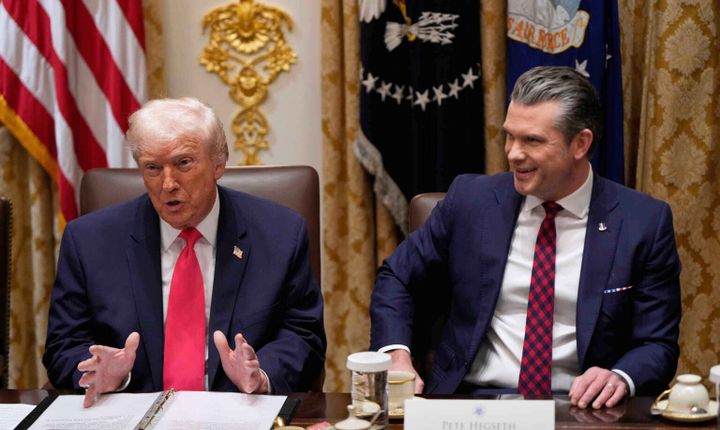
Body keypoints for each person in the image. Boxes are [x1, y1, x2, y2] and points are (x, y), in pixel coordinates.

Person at [370, 66, 681, 409]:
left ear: (581, 143)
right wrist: (396, 356)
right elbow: (397, 276)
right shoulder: (471, 201)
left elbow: (657, 344)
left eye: (532, 140)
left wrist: (619, 376)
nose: (513, 153)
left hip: (582, 408)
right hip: (472, 402)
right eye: (509, 136)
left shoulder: (642, 223)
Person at [43, 97, 326, 407]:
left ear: (218, 164)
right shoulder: (89, 241)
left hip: (237, 411)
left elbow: (303, 335)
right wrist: (100, 373)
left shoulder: (280, 234)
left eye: (183, 163)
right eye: (152, 168)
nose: (168, 184)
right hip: (132, 412)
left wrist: (262, 375)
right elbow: (63, 345)